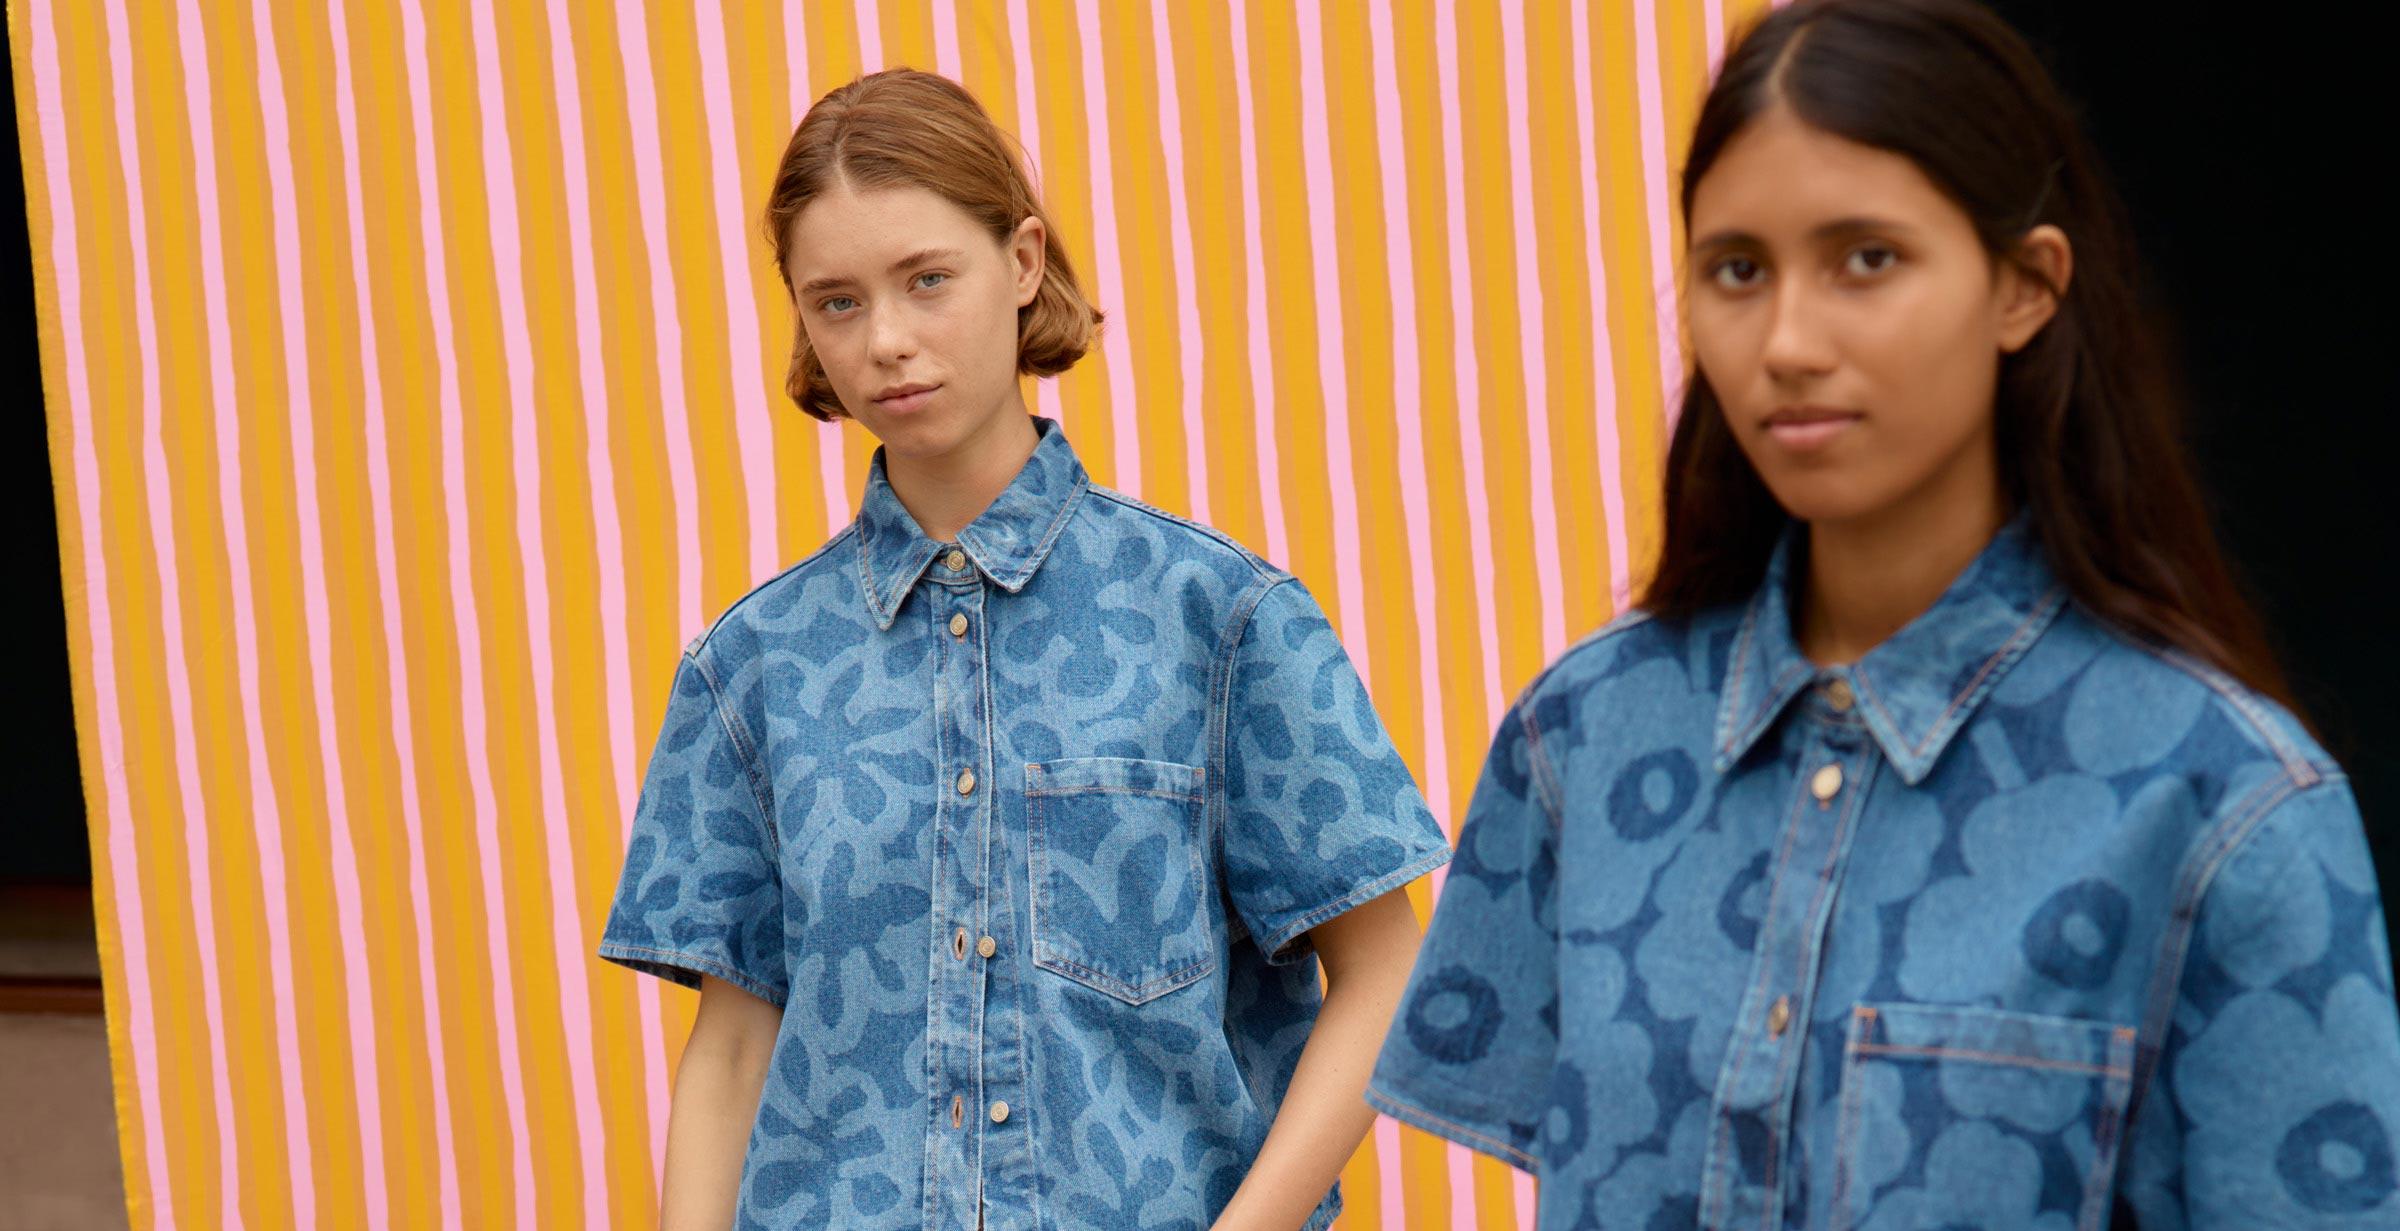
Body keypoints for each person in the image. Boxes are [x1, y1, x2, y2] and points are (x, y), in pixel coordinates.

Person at [1366, 0, 2400, 1225]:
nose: (1789, 342)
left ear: (2025, 287)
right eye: (1737, 269)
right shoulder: (1583, 742)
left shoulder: (2226, 803)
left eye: (1868, 259)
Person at [597, 68, 1451, 1231]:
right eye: (836, 302)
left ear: (1023, 263)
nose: (887, 340)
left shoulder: (1222, 620)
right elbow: (736, 1049)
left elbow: (1387, 971)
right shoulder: (750, 671)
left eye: (926, 279)